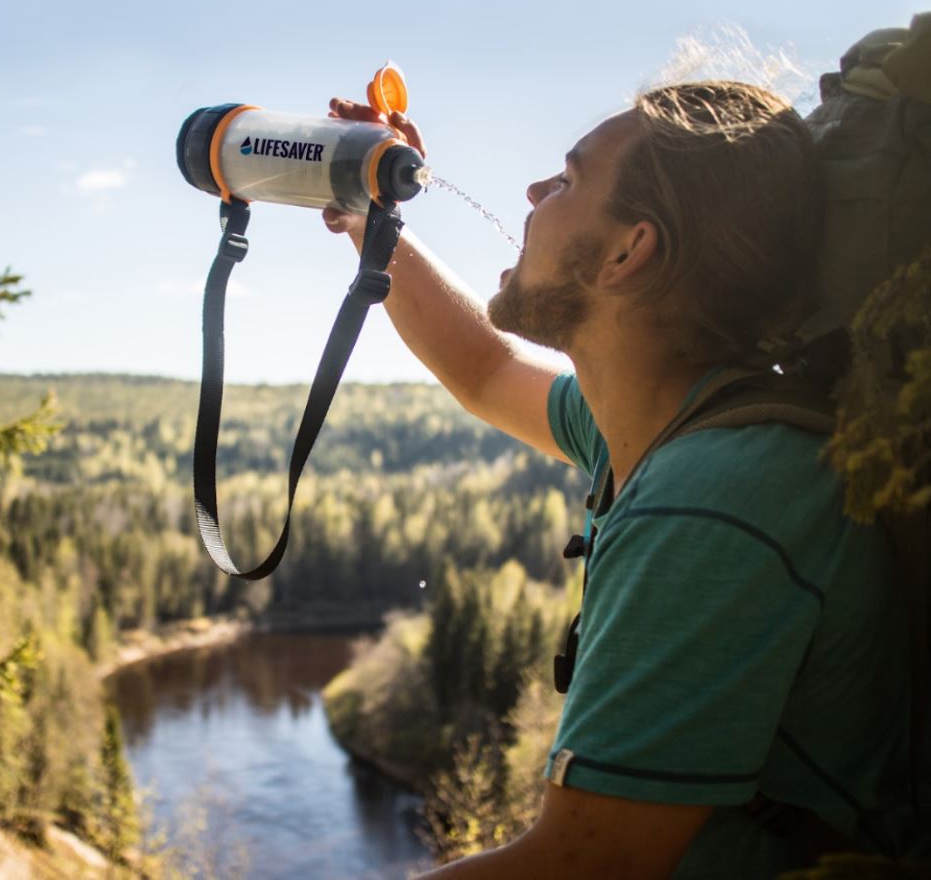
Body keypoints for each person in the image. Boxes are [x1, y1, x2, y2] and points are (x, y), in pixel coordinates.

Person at [323, 84, 921, 879]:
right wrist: (372, 217)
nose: (534, 192)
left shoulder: (715, 500)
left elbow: (580, 864)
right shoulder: (667, 420)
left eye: (568, 180)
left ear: (626, 252)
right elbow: (486, 368)